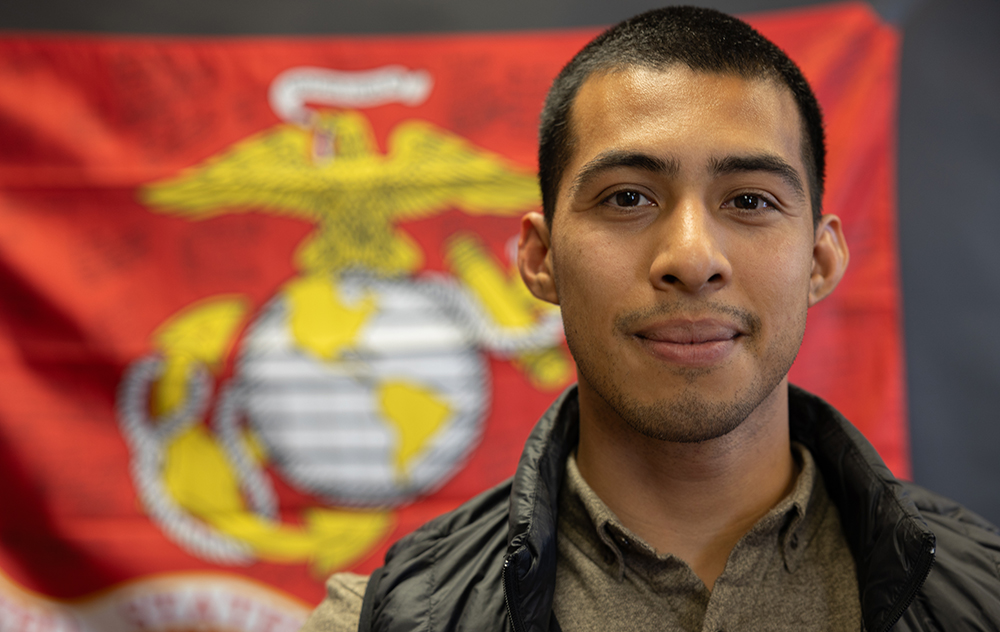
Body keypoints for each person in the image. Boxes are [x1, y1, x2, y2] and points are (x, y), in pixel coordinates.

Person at [301, 6, 1000, 631]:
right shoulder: (384, 619)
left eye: (750, 201)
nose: (692, 259)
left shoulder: (985, 597)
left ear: (820, 261)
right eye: (628, 198)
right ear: (542, 259)